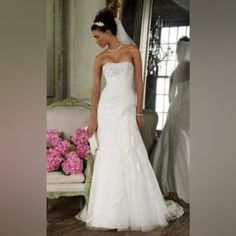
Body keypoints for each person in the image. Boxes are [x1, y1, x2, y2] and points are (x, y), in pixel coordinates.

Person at [76, 8, 184, 232]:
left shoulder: (132, 51)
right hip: (107, 109)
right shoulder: (100, 58)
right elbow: (96, 90)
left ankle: (135, 207)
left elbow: (139, 82)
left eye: (97, 36)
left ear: (108, 31)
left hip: (126, 107)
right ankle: (108, 211)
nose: (96, 41)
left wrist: (138, 111)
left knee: (129, 149)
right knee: (109, 153)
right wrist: (93, 117)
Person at [150, 36, 190, 204]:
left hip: (176, 112)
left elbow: (170, 98)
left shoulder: (175, 72)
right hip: (190, 112)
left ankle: (168, 185)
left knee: (173, 146)